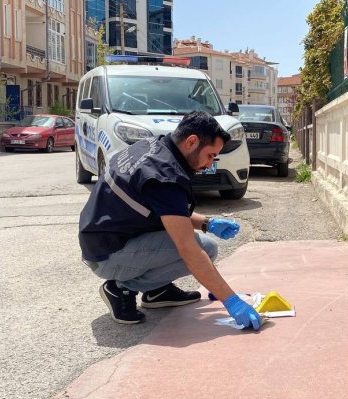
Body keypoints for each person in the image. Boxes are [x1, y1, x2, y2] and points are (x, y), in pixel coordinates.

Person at [79, 111, 262, 330]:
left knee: (201, 242)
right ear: (192, 141)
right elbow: (189, 250)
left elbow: (165, 212)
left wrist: (207, 223)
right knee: (203, 248)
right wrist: (231, 300)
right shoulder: (165, 177)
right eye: (210, 155)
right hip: (108, 255)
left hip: (103, 238)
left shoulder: (152, 146)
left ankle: (157, 291)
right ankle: (121, 288)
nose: (210, 164)